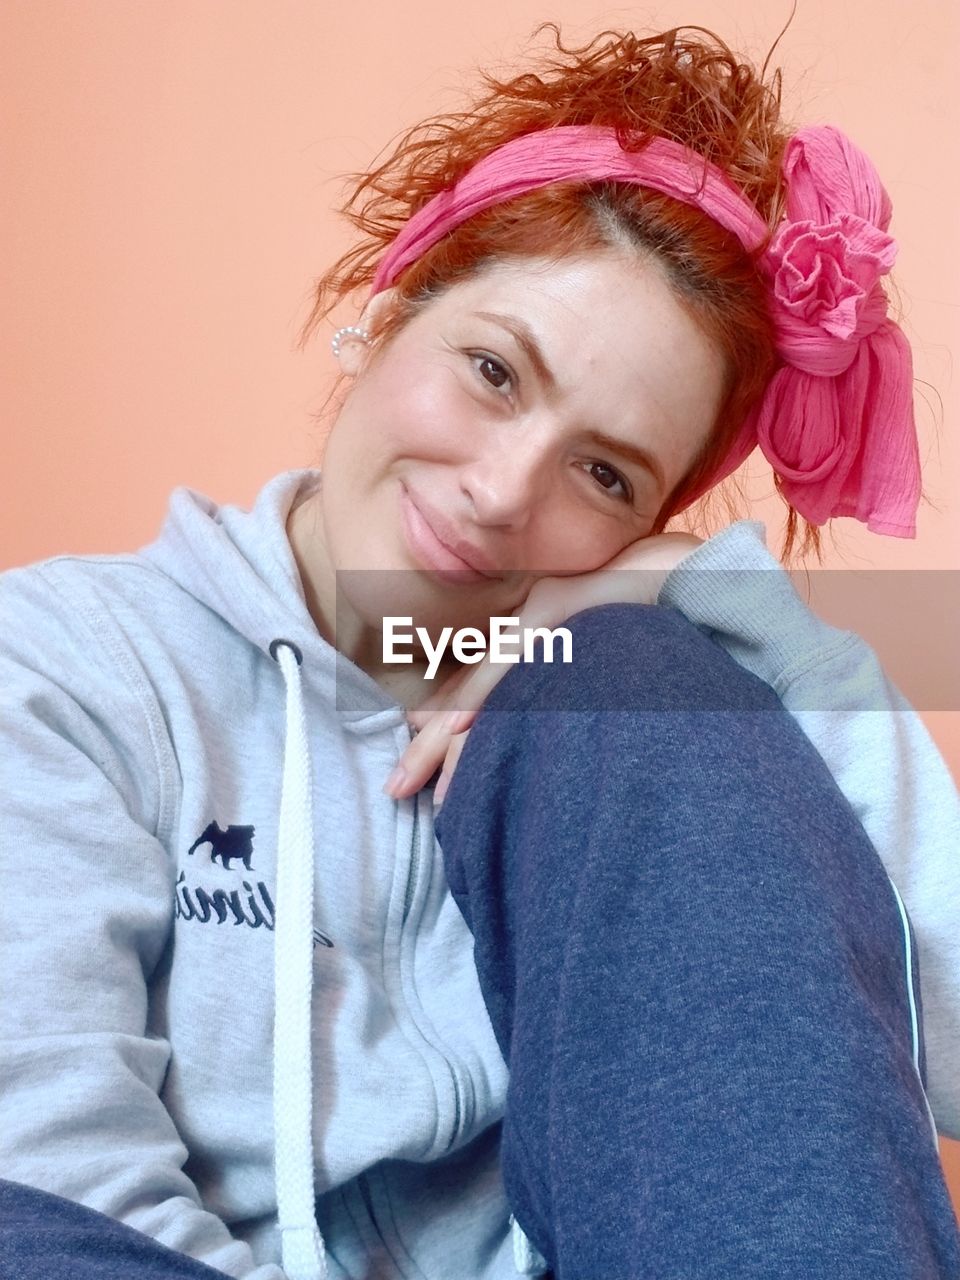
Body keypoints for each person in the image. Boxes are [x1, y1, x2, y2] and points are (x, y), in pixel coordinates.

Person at [1, 23, 958, 1280]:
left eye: (605, 473)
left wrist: (707, 600)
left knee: (641, 693)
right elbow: (55, 1175)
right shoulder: (72, 661)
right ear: (390, 310)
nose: (505, 491)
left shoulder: (618, 734)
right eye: (495, 370)